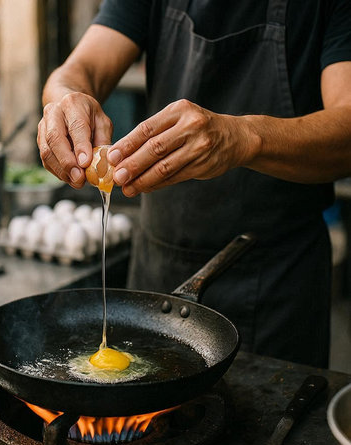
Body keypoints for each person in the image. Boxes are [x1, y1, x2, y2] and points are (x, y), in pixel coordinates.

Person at [37, 0, 351, 368]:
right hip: (159, 271)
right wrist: (65, 100)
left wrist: (244, 136)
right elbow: (81, 68)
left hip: (275, 285)